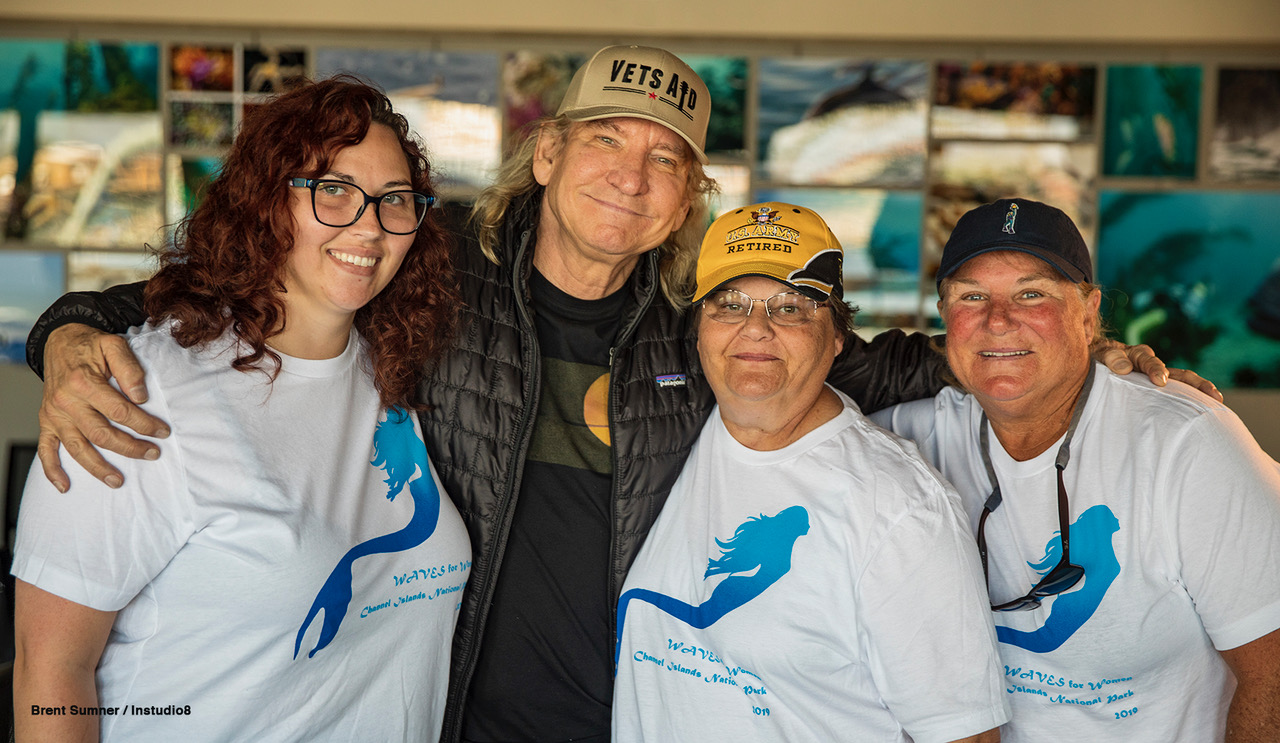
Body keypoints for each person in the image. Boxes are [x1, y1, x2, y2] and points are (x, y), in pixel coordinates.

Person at [23, 48, 1210, 742]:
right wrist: (72, 331)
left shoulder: (702, 330)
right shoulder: (428, 269)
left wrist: (1072, 353)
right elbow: (229, 281)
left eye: (663, 160)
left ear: (685, 196)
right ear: (547, 154)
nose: (628, 177)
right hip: (444, 717)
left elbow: (865, 354)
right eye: (604, 141)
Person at [12, 77, 471, 741]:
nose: (369, 226)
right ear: (266, 201)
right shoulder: (135, 393)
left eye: (394, 200)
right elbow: (51, 672)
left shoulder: (389, 365)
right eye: (332, 189)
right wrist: (66, 329)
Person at [870, 198, 1280, 741]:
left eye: (1031, 294)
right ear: (945, 318)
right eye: (972, 296)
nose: (998, 319)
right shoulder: (904, 438)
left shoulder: (1186, 443)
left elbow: (1271, 680)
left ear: (1088, 314)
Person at [611, 203, 1008, 742]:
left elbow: (964, 735)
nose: (756, 329)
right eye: (729, 304)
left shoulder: (899, 506)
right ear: (699, 330)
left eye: (791, 308)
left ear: (838, 336)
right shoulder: (673, 433)